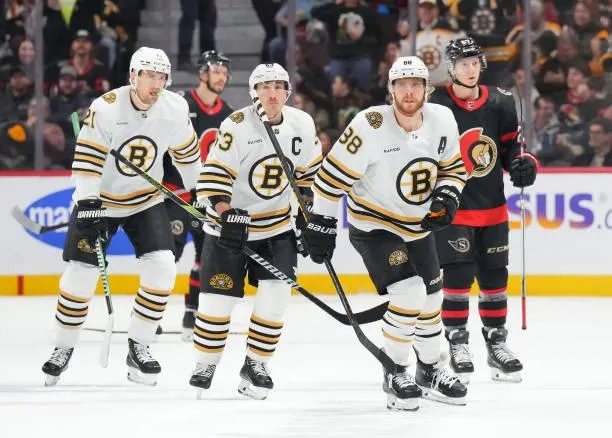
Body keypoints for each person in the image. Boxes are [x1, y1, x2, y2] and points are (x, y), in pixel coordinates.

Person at [303, 56, 468, 411]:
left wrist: (447, 196)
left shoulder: (442, 119)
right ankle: (395, 371)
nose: (409, 92)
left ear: (427, 89)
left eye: (415, 84)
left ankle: (429, 369)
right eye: (401, 84)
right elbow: (328, 181)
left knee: (431, 299)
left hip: (418, 227)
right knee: (409, 292)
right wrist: (321, 224)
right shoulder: (370, 125)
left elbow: (453, 169)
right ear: (390, 89)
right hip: (375, 226)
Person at [41, 47, 201, 387]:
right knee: (80, 274)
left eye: (162, 77)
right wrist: (88, 202)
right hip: (100, 200)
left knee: (163, 267)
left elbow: (188, 158)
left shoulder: (174, 108)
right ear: (133, 76)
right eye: (149, 76)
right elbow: (87, 163)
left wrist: (200, 193)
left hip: (145, 200)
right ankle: (63, 347)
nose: (156, 84)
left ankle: (139, 346)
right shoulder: (106, 108)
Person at [188, 63, 323, 400]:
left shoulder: (302, 124)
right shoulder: (235, 125)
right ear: (253, 93)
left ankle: (256, 364)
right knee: (218, 302)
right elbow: (214, 180)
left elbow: (308, 178)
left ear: (287, 92)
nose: (272, 94)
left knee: (276, 296)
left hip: (276, 227)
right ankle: (206, 364)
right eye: (265, 87)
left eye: (278, 87)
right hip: (229, 228)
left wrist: (308, 216)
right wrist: (226, 214)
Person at [428, 37, 538, 384]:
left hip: (493, 209)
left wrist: (523, 163)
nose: (470, 69)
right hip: (453, 208)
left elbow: (510, 150)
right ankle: (457, 342)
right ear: (451, 68)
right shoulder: (436, 103)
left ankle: (496, 343)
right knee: (458, 277)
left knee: (494, 277)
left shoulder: (501, 101)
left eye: (475, 63)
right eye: (463, 64)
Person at [162, 50, 233, 341]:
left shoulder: (228, 115)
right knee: (167, 256)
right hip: (176, 195)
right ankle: (150, 312)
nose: (222, 76)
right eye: (216, 71)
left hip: (206, 198)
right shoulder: (180, 105)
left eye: (225, 72)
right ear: (202, 73)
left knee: (207, 255)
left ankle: (192, 312)